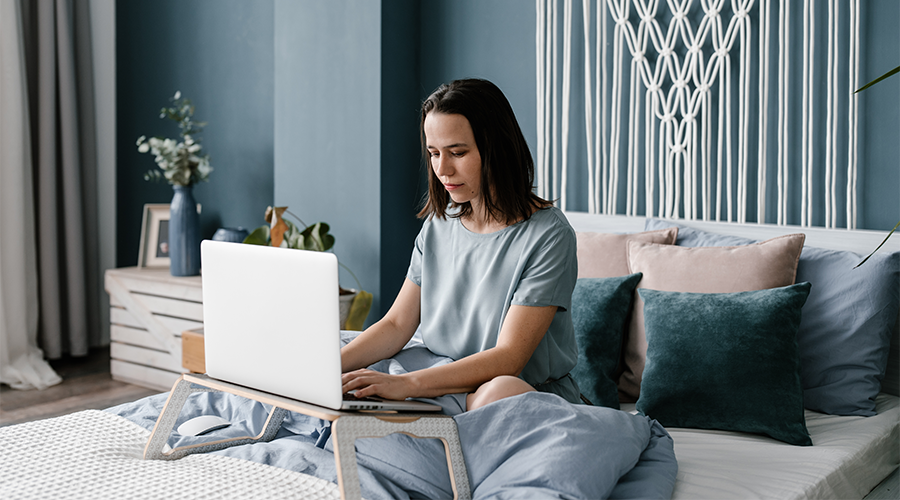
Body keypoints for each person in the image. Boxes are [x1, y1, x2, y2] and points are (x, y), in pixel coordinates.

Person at [340, 78, 580, 412]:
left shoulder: (549, 237)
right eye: (433, 153)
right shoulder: (439, 224)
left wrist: (407, 385)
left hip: (506, 388)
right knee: (337, 350)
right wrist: (326, 369)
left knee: (500, 392)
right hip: (438, 374)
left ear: (497, 149)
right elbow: (396, 326)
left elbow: (508, 358)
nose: (442, 169)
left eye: (458, 152)